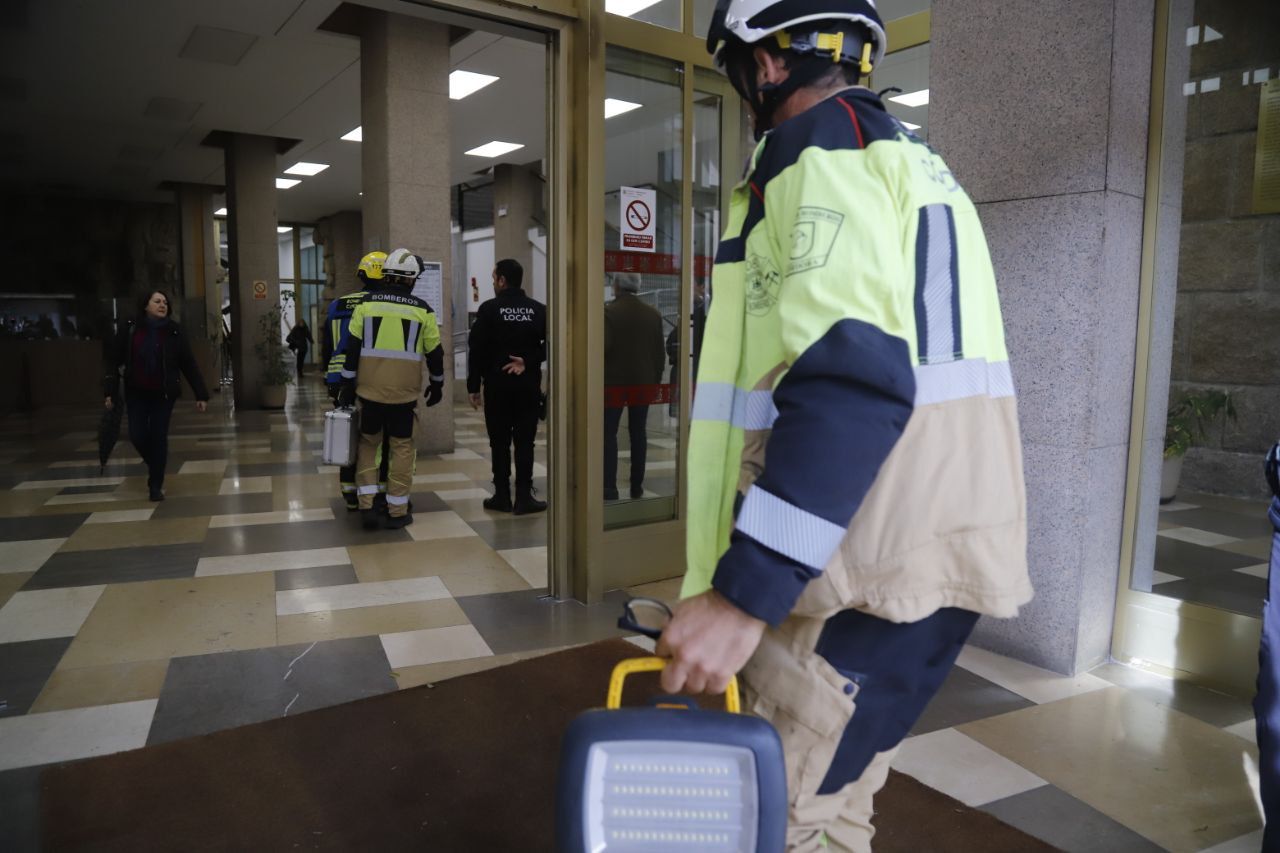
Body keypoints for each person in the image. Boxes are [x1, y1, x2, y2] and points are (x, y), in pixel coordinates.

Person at [656, 2, 1033, 850]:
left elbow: (852, 380)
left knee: (788, 816)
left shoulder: (815, 156)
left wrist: (743, 591)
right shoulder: (916, 164)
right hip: (937, 551)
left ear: (763, 67)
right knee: (837, 792)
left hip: (859, 563)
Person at [337, 249, 445, 530]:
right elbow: (435, 353)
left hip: (369, 393)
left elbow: (352, 350)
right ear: (411, 279)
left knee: (368, 446)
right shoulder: (424, 311)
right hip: (404, 397)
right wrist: (438, 383)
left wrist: (347, 386)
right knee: (402, 449)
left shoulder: (366, 305)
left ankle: (367, 508)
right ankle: (397, 511)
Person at [103, 290, 210, 502]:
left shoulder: (174, 331)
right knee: (138, 435)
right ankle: (157, 464)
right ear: (146, 305)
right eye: (157, 301)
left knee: (159, 436)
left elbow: (188, 363)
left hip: (164, 394)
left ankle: (155, 485)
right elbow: (113, 361)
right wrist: (109, 391)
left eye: (165, 302)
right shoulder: (131, 328)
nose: (163, 305)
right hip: (136, 392)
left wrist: (201, 394)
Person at [467, 259, 547, 515]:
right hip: (528, 387)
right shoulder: (538, 310)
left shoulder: (489, 309)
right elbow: (555, 343)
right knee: (525, 442)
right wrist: (528, 361)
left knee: (499, 442)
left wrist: (473, 387)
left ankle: (501, 495)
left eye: (494, 278)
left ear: (502, 280)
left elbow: (476, 349)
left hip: (497, 387)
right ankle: (524, 497)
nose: (493, 283)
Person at [323, 251, 386, 510]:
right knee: (373, 437)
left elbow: (327, 344)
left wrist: (329, 375)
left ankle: (349, 493)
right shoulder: (379, 305)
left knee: (346, 433)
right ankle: (376, 493)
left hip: (337, 378)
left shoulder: (338, 304)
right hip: (367, 377)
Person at [603, 272, 665, 500]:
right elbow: (660, 353)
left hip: (612, 384)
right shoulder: (653, 314)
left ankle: (609, 487)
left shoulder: (608, 312)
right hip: (643, 383)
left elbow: (604, 347)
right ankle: (636, 485)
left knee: (608, 433)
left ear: (617, 286)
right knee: (638, 433)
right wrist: (656, 381)